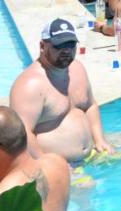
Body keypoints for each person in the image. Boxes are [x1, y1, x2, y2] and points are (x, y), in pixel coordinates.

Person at [9, 18, 112, 162]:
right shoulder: (29, 85)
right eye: (59, 46)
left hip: (93, 154)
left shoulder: (78, 69)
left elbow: (90, 106)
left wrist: (99, 140)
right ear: (42, 46)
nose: (66, 51)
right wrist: (50, 166)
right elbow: (21, 134)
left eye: (70, 44)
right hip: (59, 166)